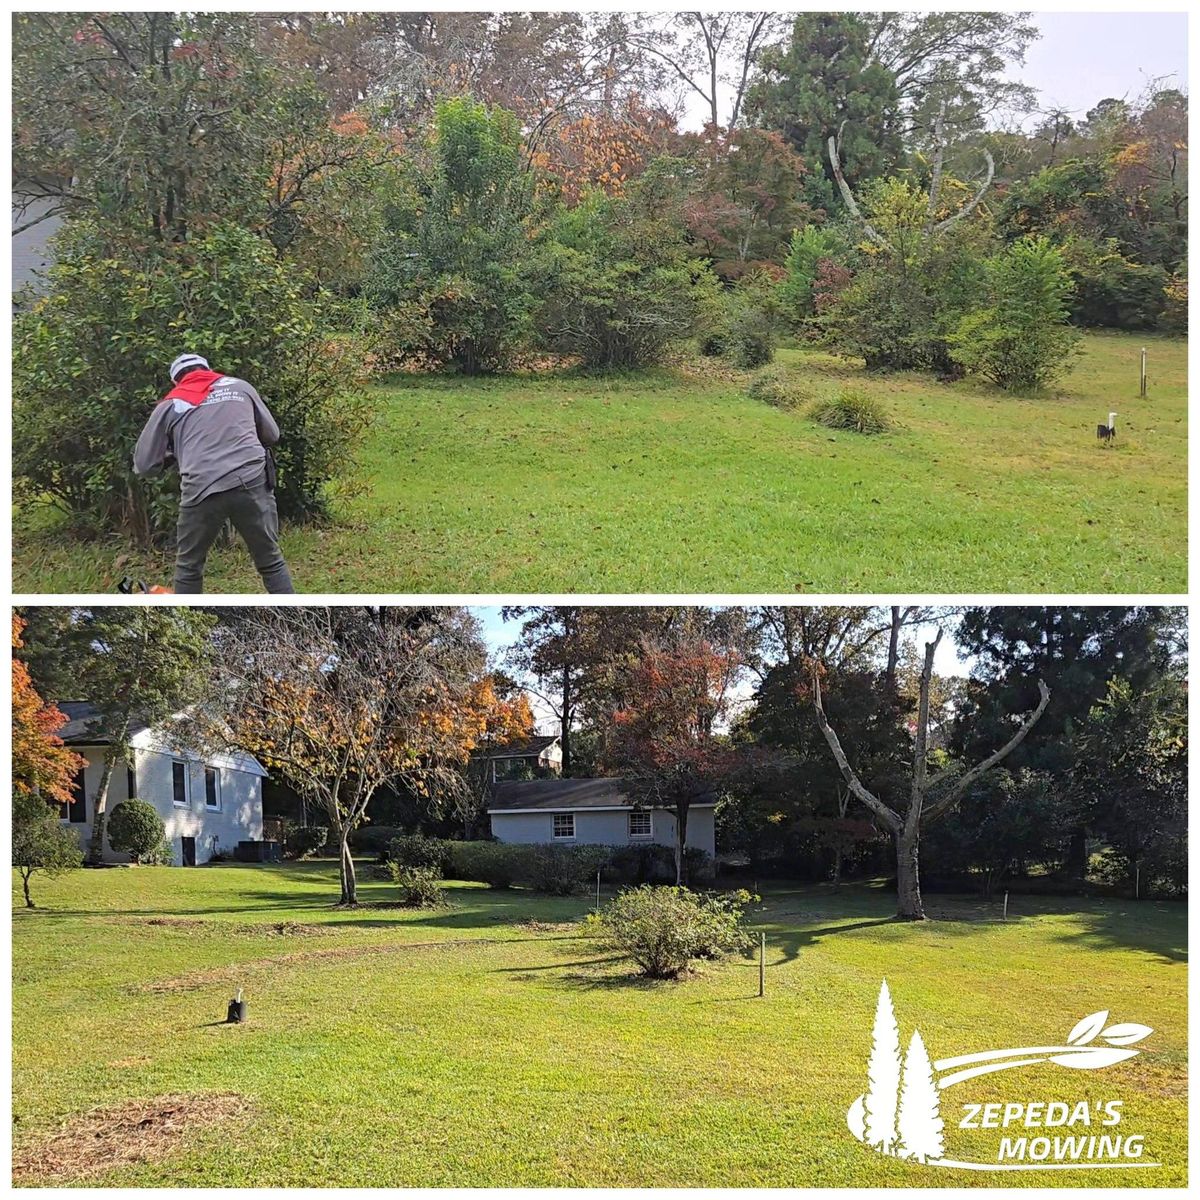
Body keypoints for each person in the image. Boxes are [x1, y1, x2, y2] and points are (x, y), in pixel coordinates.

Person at [133, 353, 295, 593]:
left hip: (201, 489)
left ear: (176, 381)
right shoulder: (240, 387)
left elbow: (145, 465)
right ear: (208, 370)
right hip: (250, 481)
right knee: (270, 561)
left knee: (189, 567)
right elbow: (271, 435)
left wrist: (174, 453)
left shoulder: (170, 404)